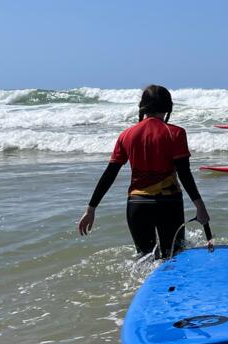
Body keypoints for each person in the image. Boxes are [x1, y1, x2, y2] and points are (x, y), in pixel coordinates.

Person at [78, 85, 211, 258]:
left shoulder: (126, 135)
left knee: (145, 260)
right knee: (175, 257)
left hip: (137, 205)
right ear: (168, 107)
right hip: (168, 204)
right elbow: (184, 174)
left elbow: (110, 173)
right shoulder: (176, 133)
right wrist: (200, 206)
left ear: (142, 107)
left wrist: (91, 209)